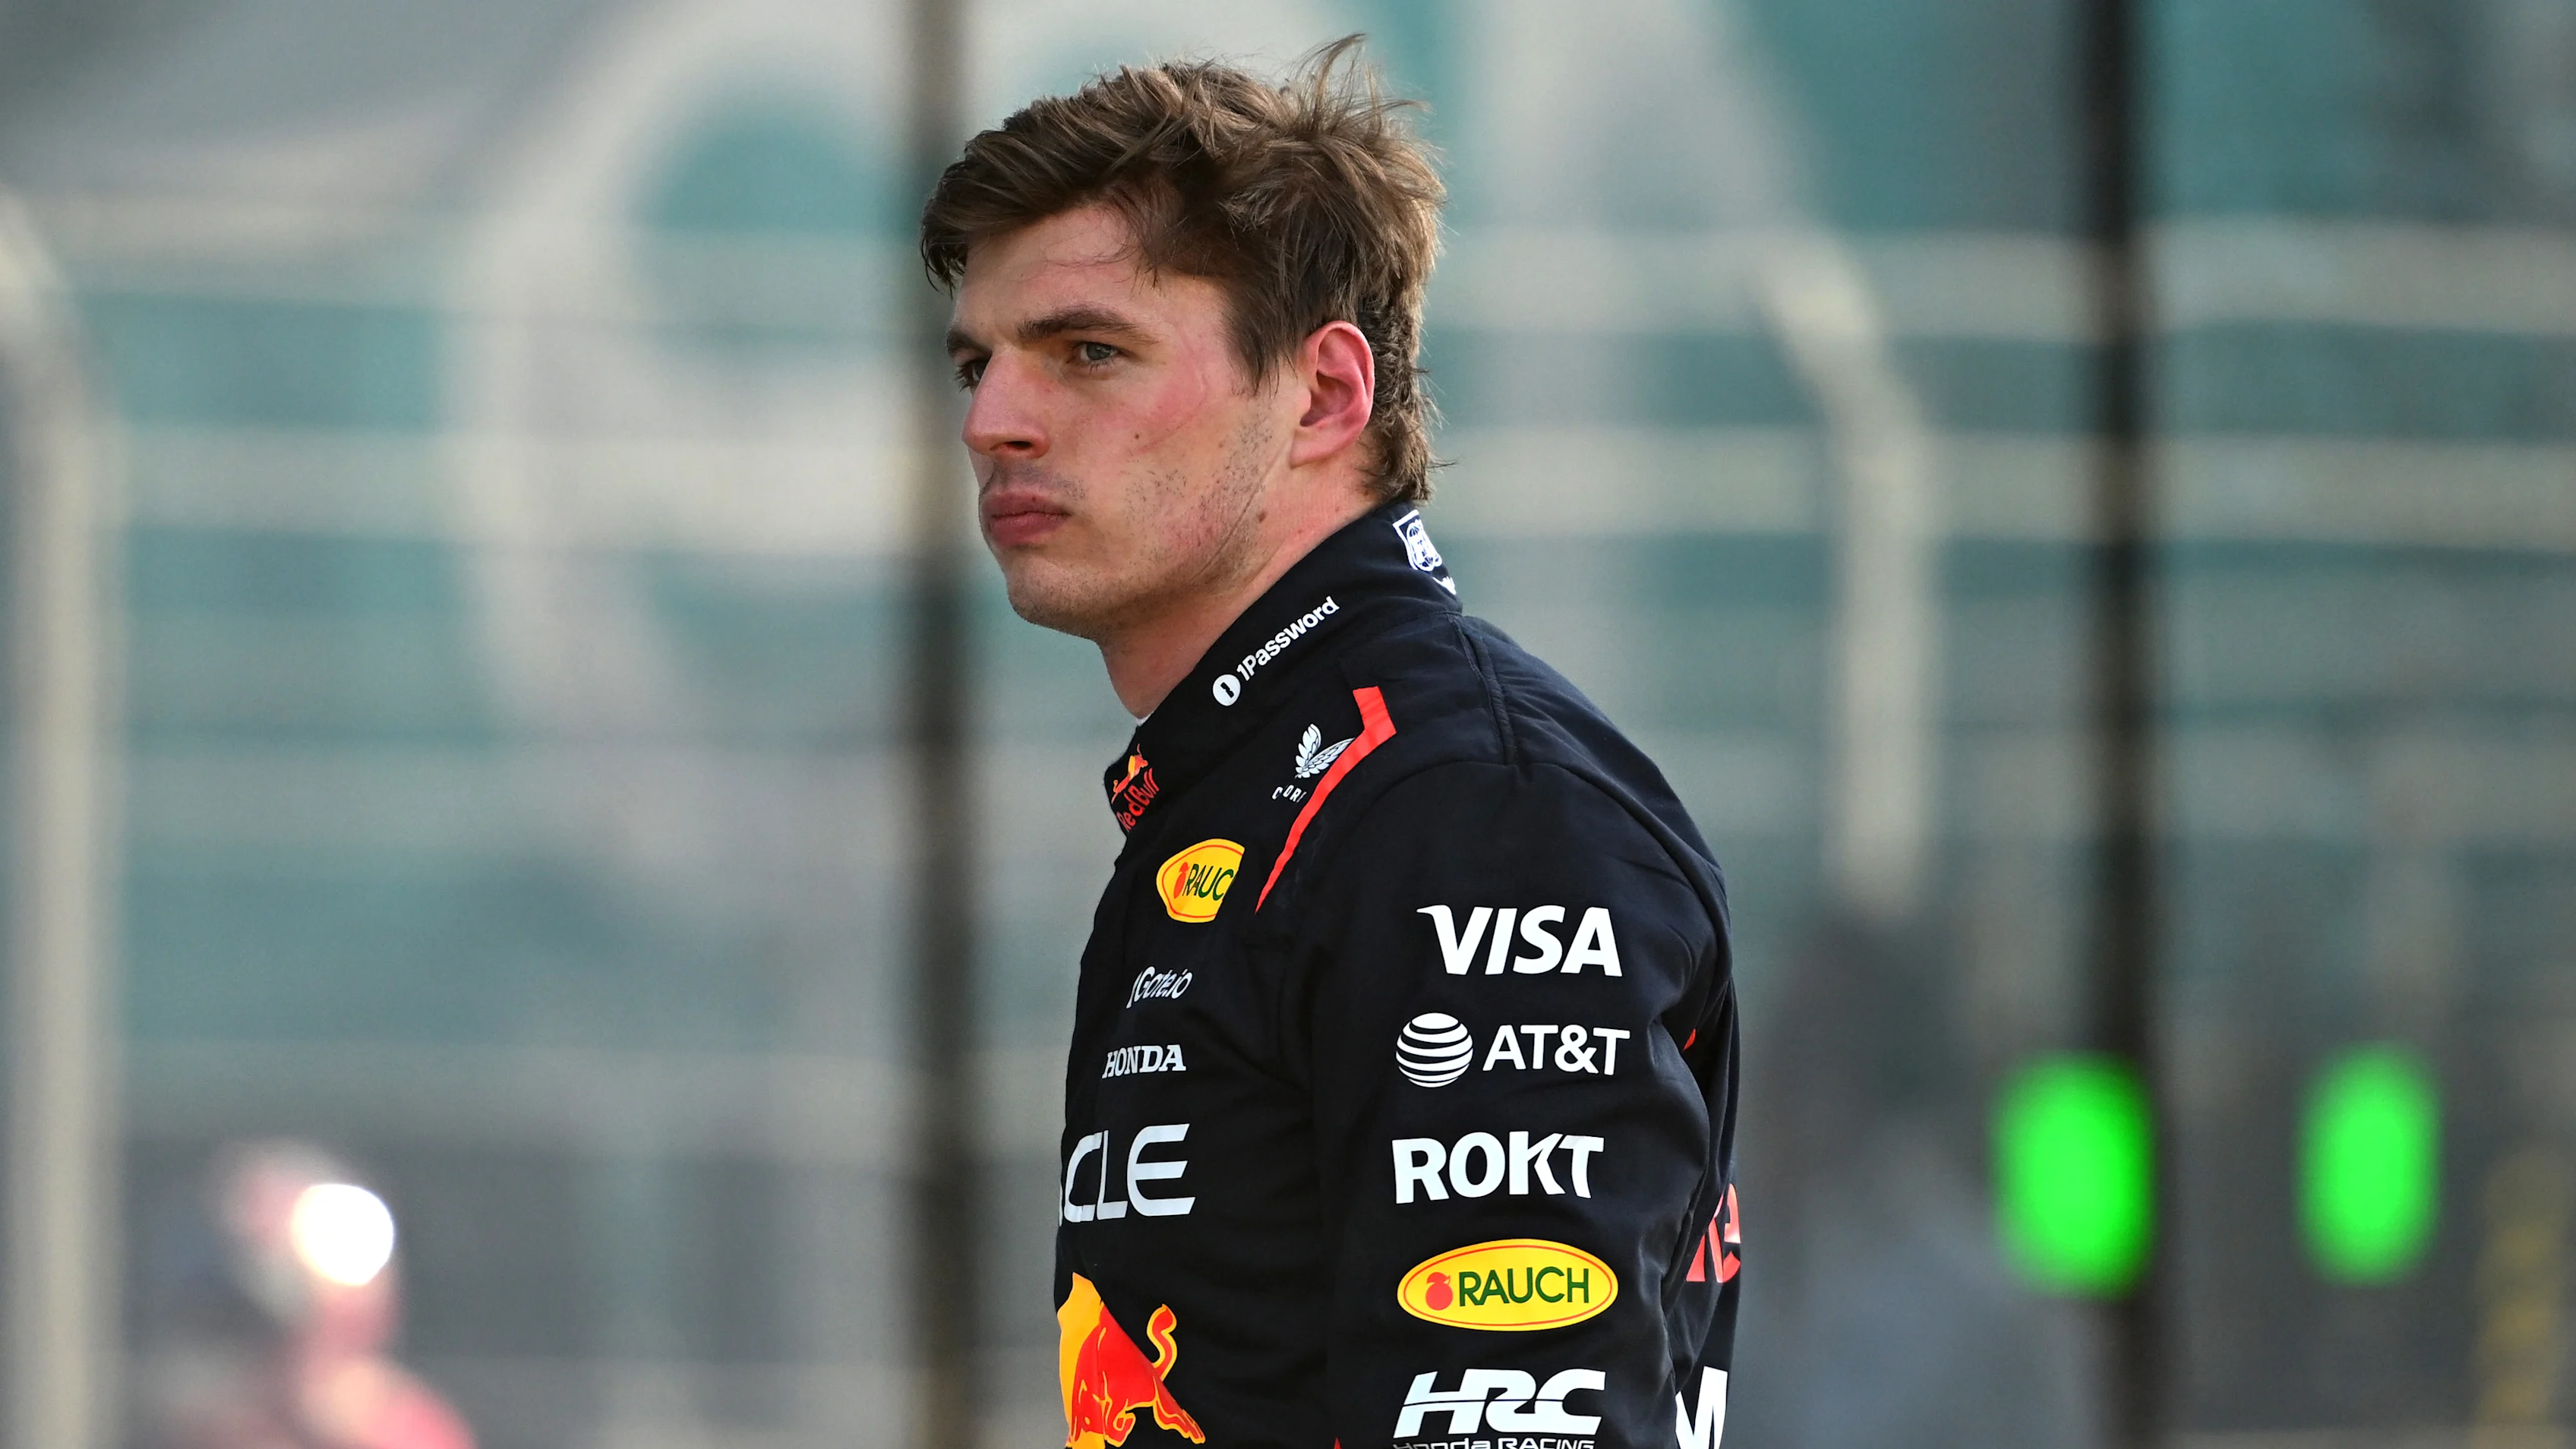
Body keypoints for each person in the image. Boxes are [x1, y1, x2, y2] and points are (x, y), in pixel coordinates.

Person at [923, 38, 1740, 1449]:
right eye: (979, 364)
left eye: (1089, 352)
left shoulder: (1466, 811)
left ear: (1325, 396)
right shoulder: (1268, 789)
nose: (996, 422)